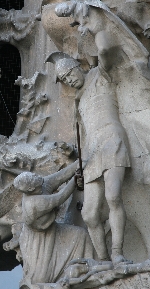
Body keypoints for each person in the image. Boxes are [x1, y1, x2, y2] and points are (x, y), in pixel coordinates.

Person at [46, 24, 131, 265]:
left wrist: (96, 25)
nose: (69, 80)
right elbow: (82, 140)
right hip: (93, 152)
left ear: (77, 67)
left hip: (112, 139)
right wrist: (80, 168)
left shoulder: (99, 75)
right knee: (89, 214)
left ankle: (118, 252)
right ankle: (103, 260)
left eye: (70, 74)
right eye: (64, 79)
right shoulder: (78, 102)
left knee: (114, 197)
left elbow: (105, 49)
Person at [14, 162, 93, 289]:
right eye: (37, 184)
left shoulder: (38, 183)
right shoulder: (34, 202)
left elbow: (60, 176)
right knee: (41, 278)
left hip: (52, 230)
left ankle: (87, 267)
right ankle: (67, 275)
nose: (41, 183)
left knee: (81, 235)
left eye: (38, 180)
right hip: (38, 239)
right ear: (29, 190)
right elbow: (60, 198)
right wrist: (74, 181)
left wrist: (79, 163)